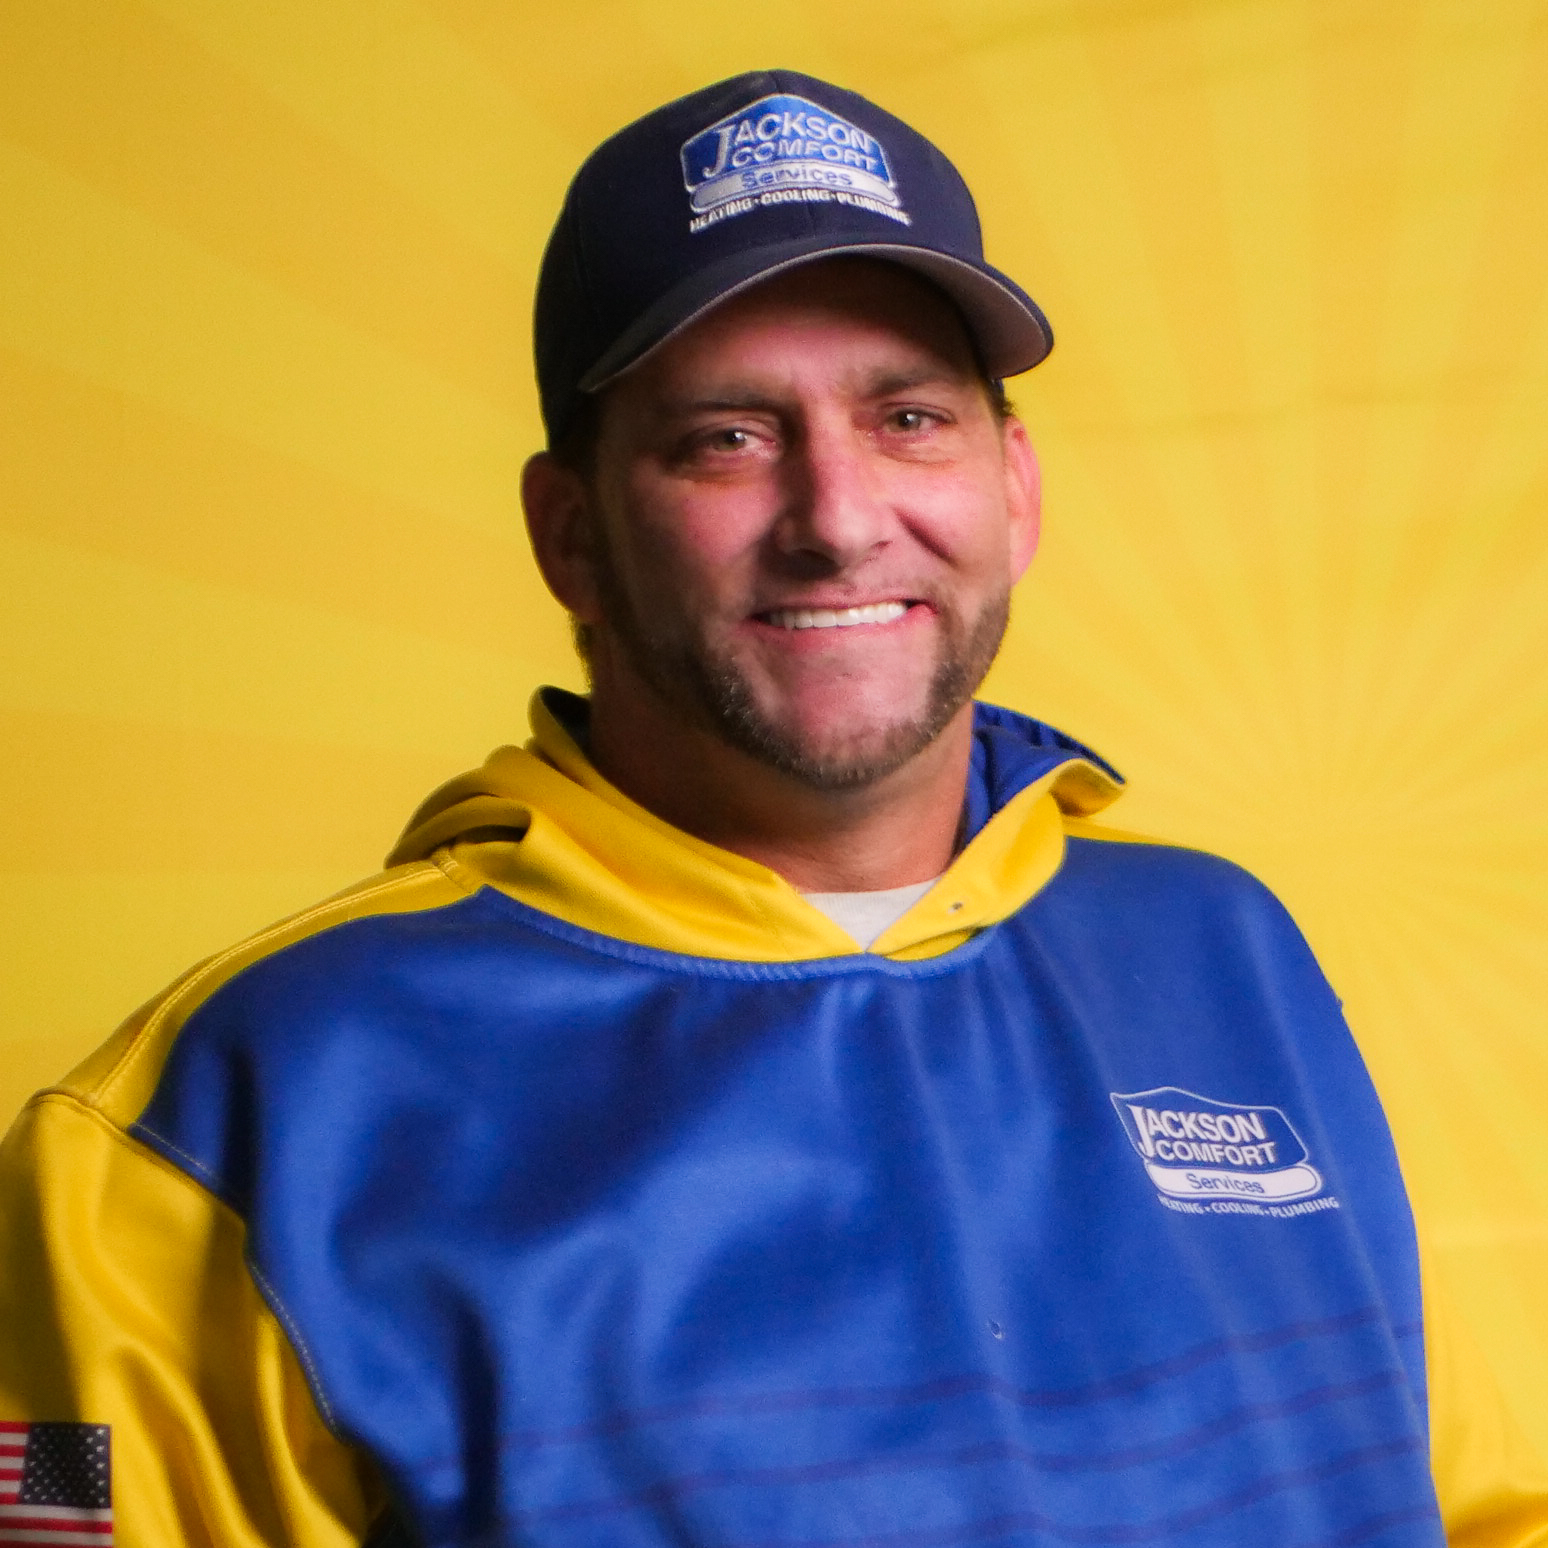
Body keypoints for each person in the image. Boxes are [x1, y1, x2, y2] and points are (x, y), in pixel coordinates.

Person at [0, 68, 1544, 1548]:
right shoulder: (228, 1112)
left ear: (1015, 485)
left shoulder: (1221, 949)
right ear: (571, 536)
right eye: (726, 437)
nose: (840, 517)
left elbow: (1469, 1510)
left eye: (909, 419)